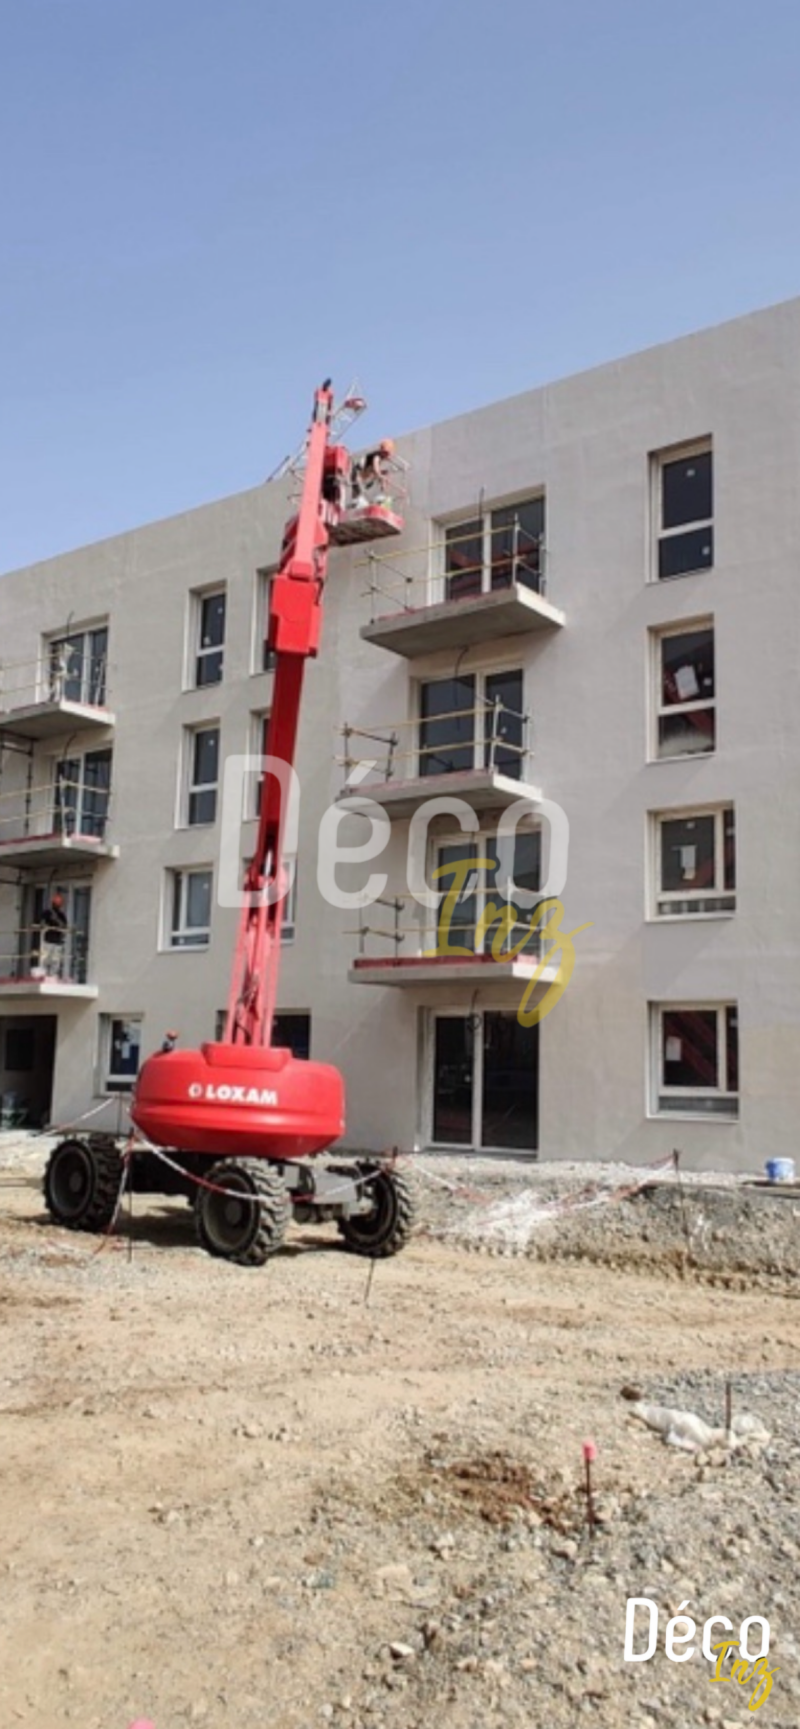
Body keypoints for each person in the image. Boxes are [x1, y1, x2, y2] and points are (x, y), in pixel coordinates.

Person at [350, 438, 395, 509]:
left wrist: (383, 479)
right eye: (386, 454)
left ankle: (381, 495)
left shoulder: (381, 457)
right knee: (357, 491)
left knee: (384, 474)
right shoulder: (376, 457)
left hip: (364, 474)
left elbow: (376, 471)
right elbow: (376, 468)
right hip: (357, 474)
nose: (386, 456)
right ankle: (356, 503)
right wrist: (380, 476)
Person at [40, 892, 68, 977]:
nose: (58, 905)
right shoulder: (47, 913)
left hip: (56, 940)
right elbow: (41, 923)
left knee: (55, 960)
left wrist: (57, 921)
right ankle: (45, 974)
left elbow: (64, 926)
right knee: (47, 959)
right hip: (49, 940)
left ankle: (52, 975)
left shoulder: (61, 915)